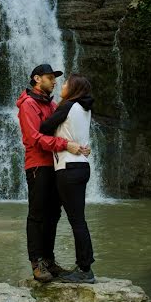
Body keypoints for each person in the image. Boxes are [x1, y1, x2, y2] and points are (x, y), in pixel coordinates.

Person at [16, 64, 90, 283]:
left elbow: (66, 128)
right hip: (38, 165)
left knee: (53, 215)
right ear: (37, 79)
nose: (55, 81)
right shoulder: (29, 104)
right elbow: (34, 138)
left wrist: (80, 145)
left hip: (58, 165)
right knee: (37, 214)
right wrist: (66, 144)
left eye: (56, 78)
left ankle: (48, 260)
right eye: (50, 78)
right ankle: (36, 262)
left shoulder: (52, 104)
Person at [39, 74, 96, 284]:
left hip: (68, 167)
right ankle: (82, 265)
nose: (61, 86)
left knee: (77, 221)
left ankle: (85, 269)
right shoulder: (85, 108)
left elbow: (44, 127)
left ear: (73, 89)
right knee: (78, 219)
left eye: (65, 84)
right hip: (81, 166)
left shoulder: (68, 105)